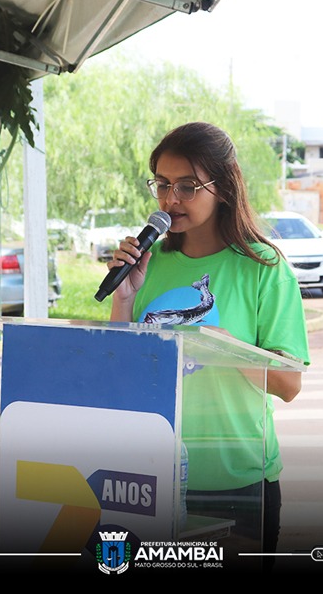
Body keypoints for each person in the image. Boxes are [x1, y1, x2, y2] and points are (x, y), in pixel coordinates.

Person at [106, 122, 310, 570]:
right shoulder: (146, 264)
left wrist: (228, 348)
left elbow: (289, 384)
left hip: (236, 482)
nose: (170, 199)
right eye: (161, 183)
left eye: (187, 186)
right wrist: (124, 297)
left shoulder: (264, 268)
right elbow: (119, 374)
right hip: (148, 476)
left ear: (224, 187)